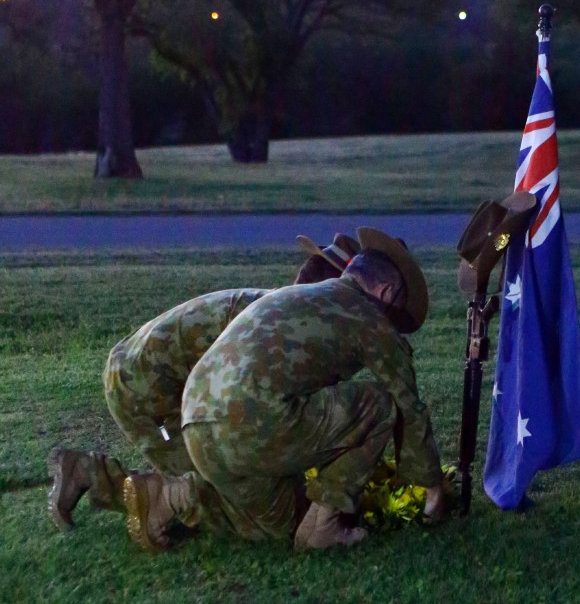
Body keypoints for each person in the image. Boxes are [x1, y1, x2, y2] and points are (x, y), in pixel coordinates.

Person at [122, 227, 444, 552]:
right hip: (254, 422)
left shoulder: (289, 296)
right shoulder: (369, 317)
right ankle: (325, 525)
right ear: (386, 293)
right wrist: (433, 488)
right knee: (381, 403)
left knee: (285, 523)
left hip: (194, 418)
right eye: (394, 311)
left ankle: (171, 495)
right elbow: (408, 406)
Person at [48, 233, 360, 533]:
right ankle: (140, 487)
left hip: (135, 372)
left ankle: (90, 473)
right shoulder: (288, 335)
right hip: (151, 392)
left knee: (230, 476)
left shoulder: (273, 310)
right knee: (242, 506)